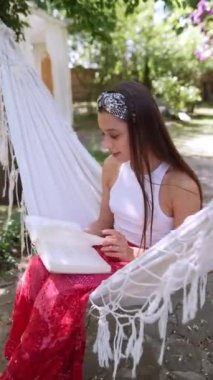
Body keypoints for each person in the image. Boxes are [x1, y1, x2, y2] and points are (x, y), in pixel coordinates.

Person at [1, 81, 202, 380]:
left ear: (143, 129)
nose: (106, 144)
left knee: (59, 294)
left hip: (144, 269)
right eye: (105, 134)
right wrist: (67, 239)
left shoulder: (179, 185)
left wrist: (134, 253)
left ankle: (42, 371)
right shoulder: (114, 166)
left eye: (114, 135)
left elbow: (189, 261)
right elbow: (103, 223)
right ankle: (27, 361)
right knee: (37, 269)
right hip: (109, 253)